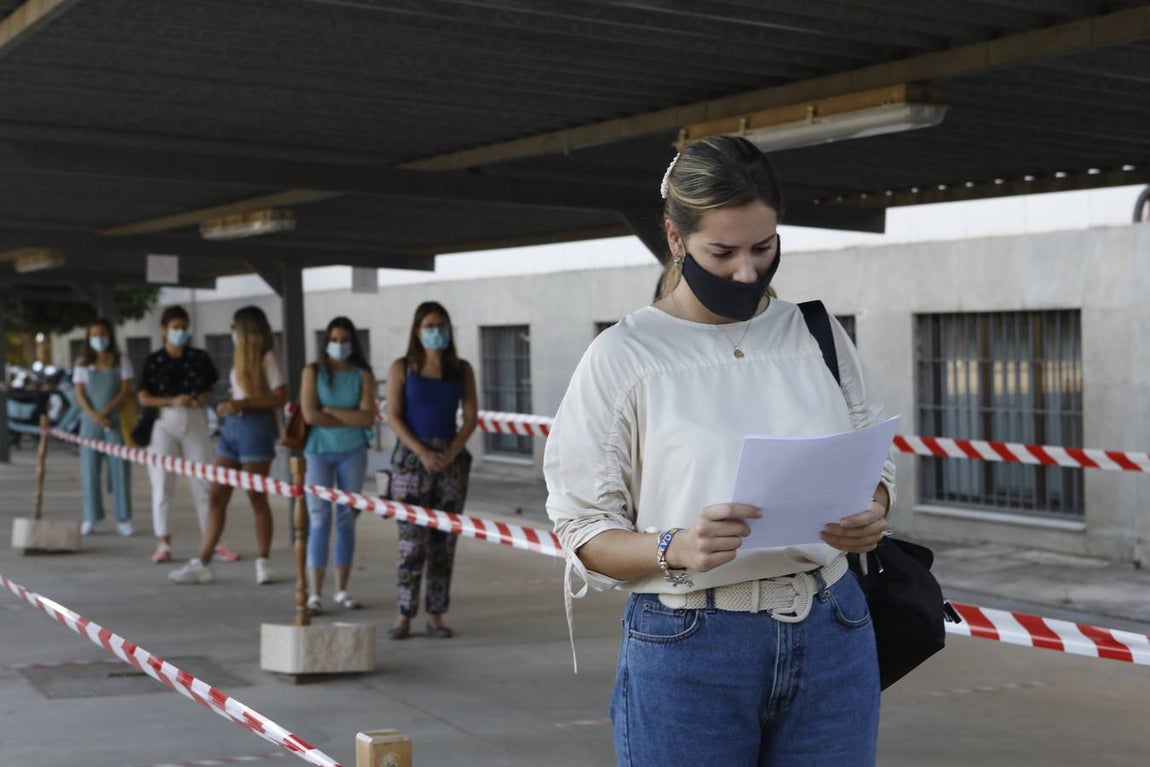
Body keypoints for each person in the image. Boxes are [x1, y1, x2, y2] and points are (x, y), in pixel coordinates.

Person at [543, 135, 896, 767]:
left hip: (834, 626)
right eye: (722, 251)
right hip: (691, 642)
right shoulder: (624, 357)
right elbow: (582, 527)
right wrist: (674, 547)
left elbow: (874, 461)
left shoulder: (816, 333)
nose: (746, 271)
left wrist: (872, 507)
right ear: (676, 240)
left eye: (764, 247)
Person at [169, 306, 288, 585]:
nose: (232, 333)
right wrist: (232, 404)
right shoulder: (240, 359)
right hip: (233, 428)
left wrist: (243, 403)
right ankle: (203, 560)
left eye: (235, 327)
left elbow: (280, 395)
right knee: (216, 495)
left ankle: (263, 561)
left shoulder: (266, 358)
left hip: (255, 427)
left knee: (256, 497)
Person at [384, 302, 478, 639]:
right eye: (429, 325)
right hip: (411, 459)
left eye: (441, 325)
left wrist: (451, 451)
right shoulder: (403, 367)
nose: (436, 331)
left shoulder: (461, 369)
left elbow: (470, 416)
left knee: (444, 541)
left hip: (451, 461)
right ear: (417, 330)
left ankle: (436, 614)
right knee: (412, 542)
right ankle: (404, 614)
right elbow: (392, 415)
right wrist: (422, 451)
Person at [138, 305, 235, 563]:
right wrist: (171, 401)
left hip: (194, 418)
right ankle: (163, 542)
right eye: (175, 328)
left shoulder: (199, 357)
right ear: (164, 330)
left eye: (183, 328)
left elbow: (211, 387)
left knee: (203, 481)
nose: (180, 332)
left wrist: (201, 397)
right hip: (164, 421)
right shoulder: (154, 360)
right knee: (162, 484)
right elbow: (144, 397)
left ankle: (212, 540)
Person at [300, 317, 376, 613]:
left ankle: (342, 589)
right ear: (326, 341)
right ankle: (314, 593)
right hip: (318, 450)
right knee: (318, 519)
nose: (340, 345)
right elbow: (310, 415)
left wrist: (330, 410)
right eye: (335, 339)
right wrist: (348, 415)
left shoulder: (362, 374)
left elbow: (368, 417)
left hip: (353, 451)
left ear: (353, 343)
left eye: (346, 340)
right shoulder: (313, 371)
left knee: (347, 519)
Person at [72, 318, 134, 536]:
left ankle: (123, 517)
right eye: (95, 334)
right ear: (89, 338)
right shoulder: (82, 362)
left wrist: (106, 411)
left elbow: (126, 390)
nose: (99, 338)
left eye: (103, 334)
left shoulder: (121, 360)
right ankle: (91, 516)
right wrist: (94, 415)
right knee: (89, 469)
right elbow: (79, 392)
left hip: (114, 419)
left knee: (120, 468)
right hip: (91, 421)